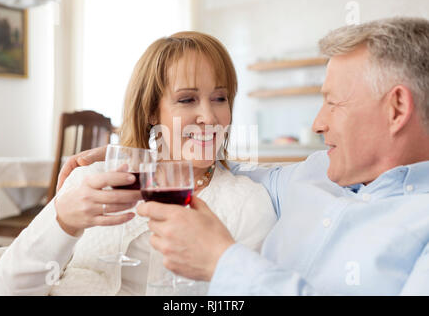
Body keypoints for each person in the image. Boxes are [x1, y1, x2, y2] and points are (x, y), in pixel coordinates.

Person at [59, 17, 429, 295]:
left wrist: (223, 263)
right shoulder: (311, 175)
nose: (318, 123)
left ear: (396, 108)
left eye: (333, 103)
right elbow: (221, 173)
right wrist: (138, 156)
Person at [0, 31, 276, 296]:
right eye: (187, 99)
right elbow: (7, 290)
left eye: (220, 98)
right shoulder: (93, 180)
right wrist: (62, 222)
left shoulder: (247, 203)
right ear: (152, 111)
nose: (210, 117)